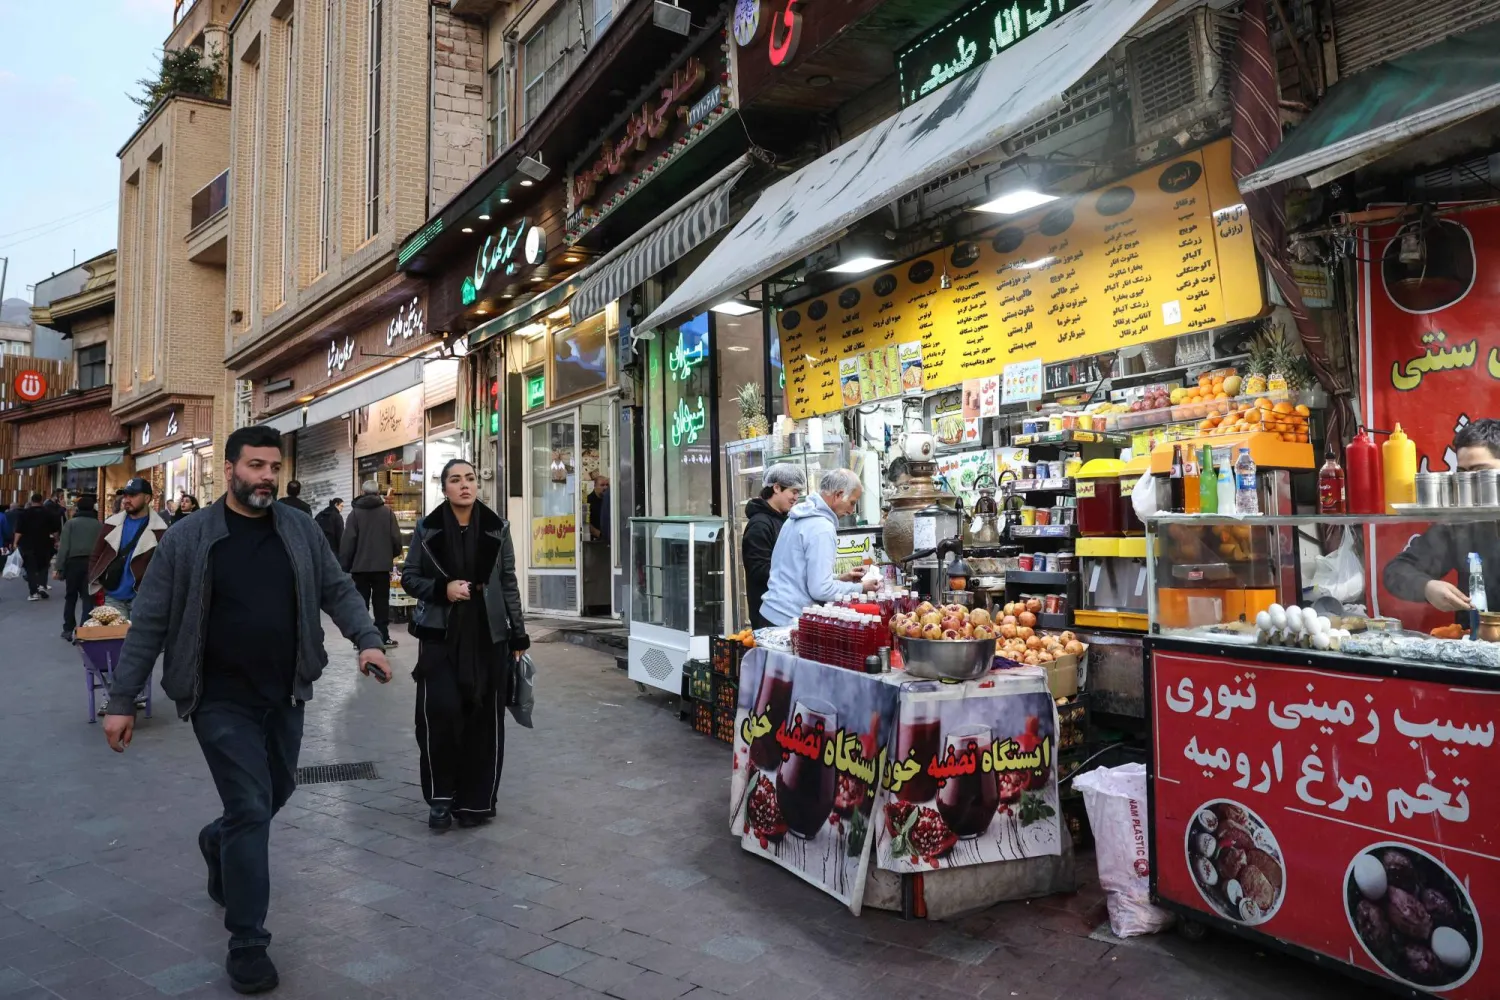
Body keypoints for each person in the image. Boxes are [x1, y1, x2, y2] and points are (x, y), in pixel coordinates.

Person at [100, 425, 392, 996]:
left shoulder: (299, 529)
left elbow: (337, 589)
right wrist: (121, 701)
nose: (265, 477)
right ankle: (248, 942)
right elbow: (151, 620)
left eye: (272, 467)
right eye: (255, 466)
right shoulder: (190, 538)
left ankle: (218, 841)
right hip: (217, 698)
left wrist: (368, 639)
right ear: (229, 469)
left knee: (272, 796)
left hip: (285, 691)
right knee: (253, 807)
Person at [400, 459, 528, 831]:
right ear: (445, 489)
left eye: (470, 478)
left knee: (484, 722)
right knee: (438, 717)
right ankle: (441, 799)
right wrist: (443, 589)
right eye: (455, 480)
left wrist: (518, 634)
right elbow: (409, 578)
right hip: (440, 639)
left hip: (488, 638)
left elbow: (508, 583)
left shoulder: (496, 528)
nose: (465, 485)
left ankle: (476, 802)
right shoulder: (428, 529)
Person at [1385, 419, 1500, 611]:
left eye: (1481, 472)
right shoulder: (1461, 525)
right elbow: (1396, 571)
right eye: (1462, 473)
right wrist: (1427, 588)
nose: (1469, 482)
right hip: (1475, 634)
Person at [759, 469, 880, 627]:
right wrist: (861, 587)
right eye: (852, 502)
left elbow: (799, 573)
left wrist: (839, 579)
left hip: (771, 612)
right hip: (787, 619)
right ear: (838, 494)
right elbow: (820, 590)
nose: (851, 511)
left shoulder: (799, 515)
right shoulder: (821, 527)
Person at [86, 478, 169, 617]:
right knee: (114, 638)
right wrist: (97, 584)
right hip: (113, 595)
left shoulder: (160, 530)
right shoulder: (111, 524)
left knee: (140, 638)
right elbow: (96, 555)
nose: (126, 500)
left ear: (147, 498)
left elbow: (166, 566)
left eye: (133, 495)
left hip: (143, 597)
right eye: (125, 495)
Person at [341, 480, 404, 649]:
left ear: (362, 492)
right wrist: (390, 555)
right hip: (381, 567)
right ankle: (383, 637)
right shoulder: (387, 513)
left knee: (361, 603)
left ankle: (361, 639)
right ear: (378, 493)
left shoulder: (354, 514)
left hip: (359, 568)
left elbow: (348, 542)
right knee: (381, 603)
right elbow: (396, 539)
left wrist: (345, 566)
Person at [742, 464, 806, 629]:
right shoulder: (760, 525)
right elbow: (759, 570)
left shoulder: (783, 520)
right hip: (768, 614)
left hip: (784, 609)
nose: (796, 497)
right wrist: (798, 573)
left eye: (798, 493)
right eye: (793, 491)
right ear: (776, 487)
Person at [53, 495, 103, 641]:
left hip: (73, 564)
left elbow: (64, 547)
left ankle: (68, 628)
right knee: (88, 597)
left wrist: (58, 567)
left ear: (78, 508)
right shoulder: (99, 525)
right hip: (91, 564)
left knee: (70, 596)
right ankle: (84, 628)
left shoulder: (71, 524)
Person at [12, 494, 60, 600]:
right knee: (43, 566)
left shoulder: (24, 514)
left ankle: (33, 592)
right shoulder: (49, 513)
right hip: (45, 544)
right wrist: (57, 541)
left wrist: (15, 543)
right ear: (41, 501)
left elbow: (19, 530)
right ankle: (42, 586)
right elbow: (55, 530)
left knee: (31, 568)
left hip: (28, 545)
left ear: (31, 500)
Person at [586, 474, 611, 544]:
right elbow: (586, 523)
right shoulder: (588, 501)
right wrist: (600, 535)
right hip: (595, 540)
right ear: (595, 486)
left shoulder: (610, 500)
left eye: (607, 485)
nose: (605, 487)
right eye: (602, 485)